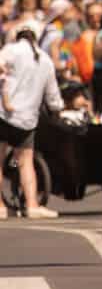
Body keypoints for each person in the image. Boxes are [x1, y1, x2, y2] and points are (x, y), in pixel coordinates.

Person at [0, 23, 64, 219]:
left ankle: (0, 207)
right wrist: (57, 109)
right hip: (27, 118)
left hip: (3, 114)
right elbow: (53, 97)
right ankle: (32, 204)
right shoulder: (45, 60)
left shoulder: (10, 50)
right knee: (26, 161)